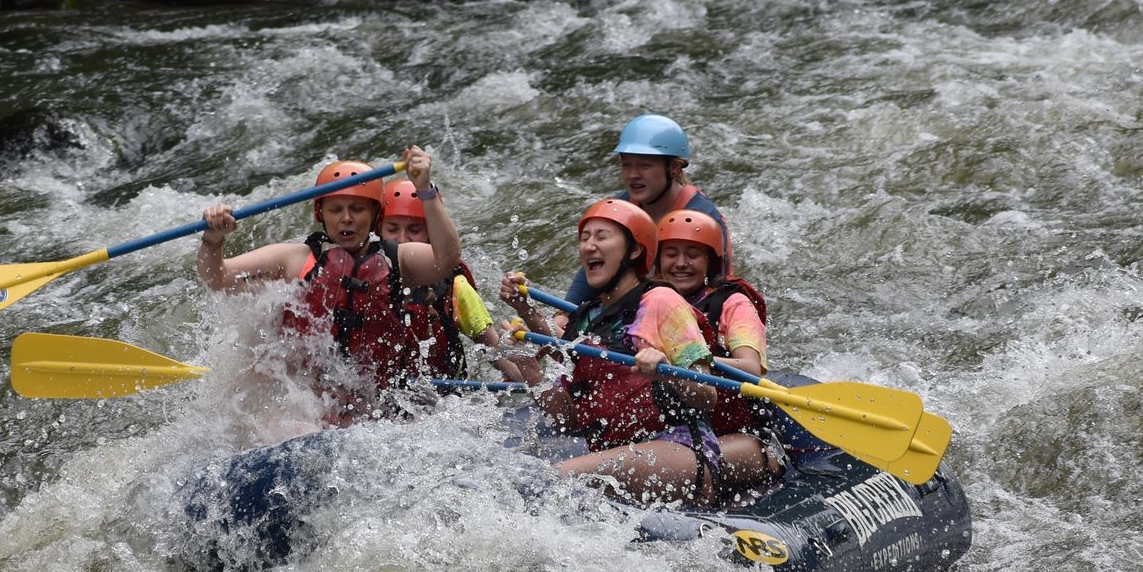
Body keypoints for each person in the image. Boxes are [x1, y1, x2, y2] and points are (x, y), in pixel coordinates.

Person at [497, 198, 773, 508]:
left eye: (601, 237)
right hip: (624, 455)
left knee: (553, 479)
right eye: (585, 238)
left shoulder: (661, 301)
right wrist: (532, 366)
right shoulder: (589, 315)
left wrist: (667, 370)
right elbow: (567, 419)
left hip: (678, 451)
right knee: (524, 482)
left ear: (634, 250)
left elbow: (706, 394)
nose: (589, 246)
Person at [197, 147, 460, 421]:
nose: (346, 217)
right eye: (335, 209)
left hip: (374, 405)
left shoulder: (397, 259)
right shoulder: (293, 259)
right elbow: (217, 279)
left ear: (375, 215)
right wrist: (213, 241)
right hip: (300, 403)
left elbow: (447, 258)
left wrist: (426, 191)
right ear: (320, 212)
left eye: (357, 209)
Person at [563, 113, 729, 308]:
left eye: (645, 165)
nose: (633, 175)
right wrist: (565, 312)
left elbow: (713, 289)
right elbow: (598, 260)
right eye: (627, 165)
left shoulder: (702, 218)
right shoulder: (621, 206)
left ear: (673, 168)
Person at [653, 210, 778, 459]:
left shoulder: (733, 304)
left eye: (692, 255)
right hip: (678, 432)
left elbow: (750, 368)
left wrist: (685, 360)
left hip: (743, 434)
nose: (680, 263)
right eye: (670, 254)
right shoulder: (649, 304)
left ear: (710, 261)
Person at [376, 179, 504, 380]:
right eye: (392, 229)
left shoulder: (453, 287)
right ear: (378, 231)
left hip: (442, 400)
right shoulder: (364, 281)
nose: (401, 239)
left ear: (431, 233)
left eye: (414, 229)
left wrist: (525, 379)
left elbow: (495, 352)